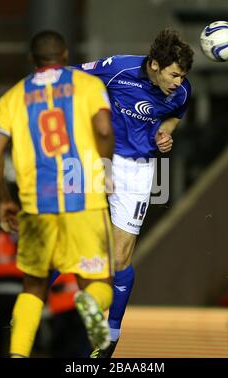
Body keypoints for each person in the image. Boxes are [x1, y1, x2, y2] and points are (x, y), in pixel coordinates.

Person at [0, 30, 114, 358]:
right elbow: (103, 129)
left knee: (33, 287)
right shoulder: (88, 86)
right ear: (66, 55)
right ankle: (89, 305)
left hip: (36, 206)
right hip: (84, 199)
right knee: (97, 281)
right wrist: (106, 169)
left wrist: (3, 198)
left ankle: (17, 354)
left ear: (32, 59)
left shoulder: (12, 98)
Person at [74, 28, 194, 357]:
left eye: (183, 76)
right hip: (101, 161)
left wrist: (166, 133)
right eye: (173, 74)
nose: (178, 82)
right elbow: (71, 76)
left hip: (139, 171)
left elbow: (174, 116)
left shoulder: (181, 92)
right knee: (76, 237)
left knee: (120, 256)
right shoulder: (119, 68)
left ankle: (110, 334)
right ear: (154, 64)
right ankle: (42, 298)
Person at [48, 273, 91, 357]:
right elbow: (52, 286)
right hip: (61, 310)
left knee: (80, 344)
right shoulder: (58, 268)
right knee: (62, 345)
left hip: (78, 309)